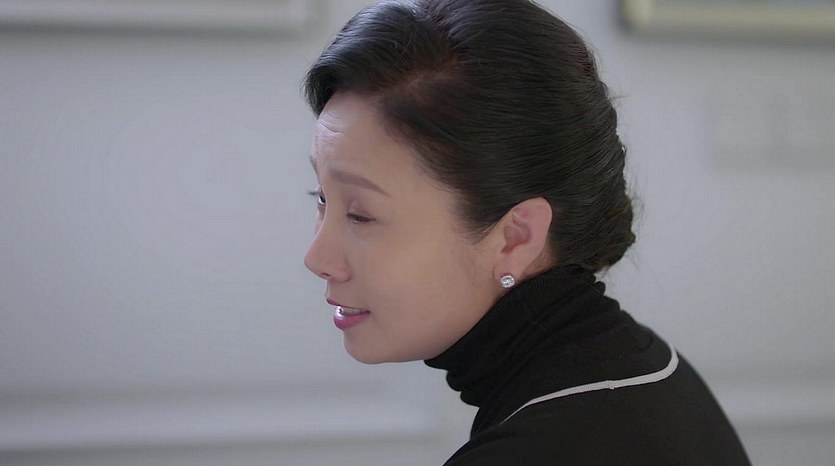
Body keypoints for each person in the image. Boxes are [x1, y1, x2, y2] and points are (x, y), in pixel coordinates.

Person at [301, 0, 751, 464]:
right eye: (321, 197)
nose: (316, 258)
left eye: (361, 215)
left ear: (515, 237)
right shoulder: (650, 369)